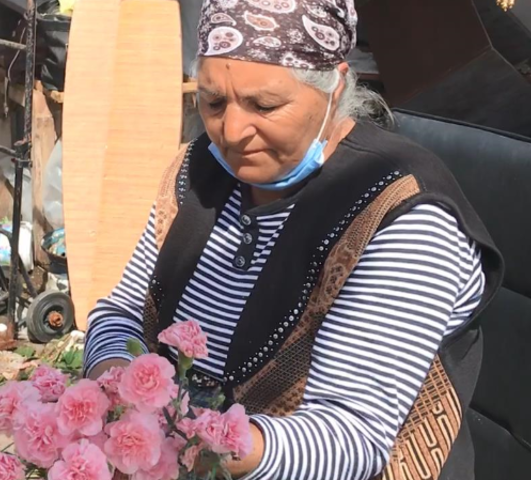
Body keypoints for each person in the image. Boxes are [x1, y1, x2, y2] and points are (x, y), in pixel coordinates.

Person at [83, 0, 504, 479]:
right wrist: (113, 382)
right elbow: (123, 312)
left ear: (335, 86)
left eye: (264, 105)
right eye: (213, 101)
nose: (233, 132)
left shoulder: (404, 217)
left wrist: (204, 444)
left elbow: (352, 437)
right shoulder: (200, 172)